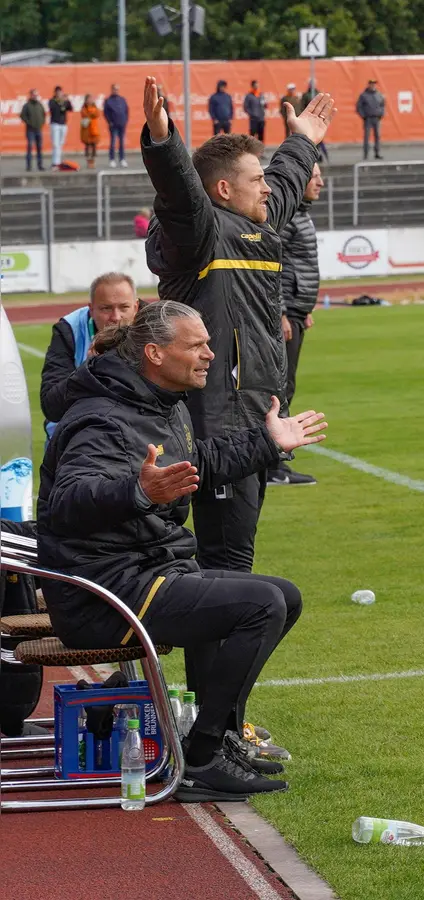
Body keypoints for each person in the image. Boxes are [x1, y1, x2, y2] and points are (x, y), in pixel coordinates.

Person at [36, 300, 326, 801]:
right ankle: (201, 755)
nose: (211, 355)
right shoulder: (101, 417)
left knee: (285, 596)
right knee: (261, 606)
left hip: (146, 570)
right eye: (197, 345)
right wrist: (139, 491)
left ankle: (221, 742)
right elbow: (67, 503)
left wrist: (268, 442)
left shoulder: (156, 402)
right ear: (154, 353)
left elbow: (196, 463)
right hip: (105, 592)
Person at [139, 75, 329, 574]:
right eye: (255, 179)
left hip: (253, 421)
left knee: (230, 564)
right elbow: (181, 196)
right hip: (216, 426)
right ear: (223, 190)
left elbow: (286, 182)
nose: (268, 187)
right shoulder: (200, 233)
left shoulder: (256, 225)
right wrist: (163, 142)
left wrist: (303, 140)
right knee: (227, 567)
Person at [39, 272, 141, 436]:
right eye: (106, 308)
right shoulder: (69, 330)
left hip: (135, 436)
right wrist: (88, 370)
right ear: (91, 309)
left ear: (136, 308)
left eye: (124, 307)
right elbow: (51, 407)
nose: (115, 317)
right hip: (75, 439)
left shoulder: (153, 326)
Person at [273, 163, 322, 487]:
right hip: (285, 315)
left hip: (295, 312)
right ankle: (274, 466)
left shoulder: (299, 214)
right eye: (314, 176)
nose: (320, 182)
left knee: (285, 387)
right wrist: (280, 312)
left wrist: (302, 309)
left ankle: (276, 464)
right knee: (279, 390)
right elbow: (271, 264)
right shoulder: (288, 216)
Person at [357, 79, 385, 160]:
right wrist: (363, 116)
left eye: (374, 84)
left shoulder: (379, 94)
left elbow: (382, 105)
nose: (373, 85)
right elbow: (359, 107)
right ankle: (366, 154)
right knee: (367, 137)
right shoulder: (364, 95)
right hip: (368, 118)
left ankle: (377, 152)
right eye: (371, 84)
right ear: (368, 85)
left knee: (377, 136)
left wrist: (381, 114)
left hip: (377, 118)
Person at [104, 84, 129, 168]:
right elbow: (105, 113)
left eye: (117, 89)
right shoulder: (108, 100)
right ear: (112, 89)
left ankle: (122, 159)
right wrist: (109, 121)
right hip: (113, 125)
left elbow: (126, 111)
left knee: (122, 142)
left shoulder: (122, 100)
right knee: (113, 142)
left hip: (122, 124)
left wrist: (125, 120)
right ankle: (112, 160)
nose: (116, 90)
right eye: (114, 89)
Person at [48, 87, 74, 169]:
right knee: (56, 144)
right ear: (55, 93)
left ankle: (58, 161)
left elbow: (70, 109)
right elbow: (53, 108)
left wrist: (67, 101)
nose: (59, 94)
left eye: (61, 92)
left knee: (61, 143)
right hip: (55, 124)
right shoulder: (52, 101)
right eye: (58, 93)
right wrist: (59, 102)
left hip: (63, 124)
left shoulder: (64, 101)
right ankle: (55, 163)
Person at [21, 89, 46, 172]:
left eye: (36, 95)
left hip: (38, 129)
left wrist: (42, 123)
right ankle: (28, 166)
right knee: (30, 147)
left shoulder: (39, 105)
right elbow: (23, 116)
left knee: (39, 148)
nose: (35, 96)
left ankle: (40, 165)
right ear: (31, 95)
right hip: (30, 130)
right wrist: (29, 123)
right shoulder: (27, 105)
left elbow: (43, 114)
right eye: (34, 95)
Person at [79, 95, 102, 169]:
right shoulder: (84, 108)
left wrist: (91, 114)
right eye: (88, 99)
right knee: (88, 147)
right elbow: (84, 114)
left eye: (91, 99)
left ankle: (93, 162)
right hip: (86, 131)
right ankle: (88, 162)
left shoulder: (95, 108)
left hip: (94, 131)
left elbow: (97, 114)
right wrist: (91, 114)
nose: (90, 101)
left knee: (94, 147)